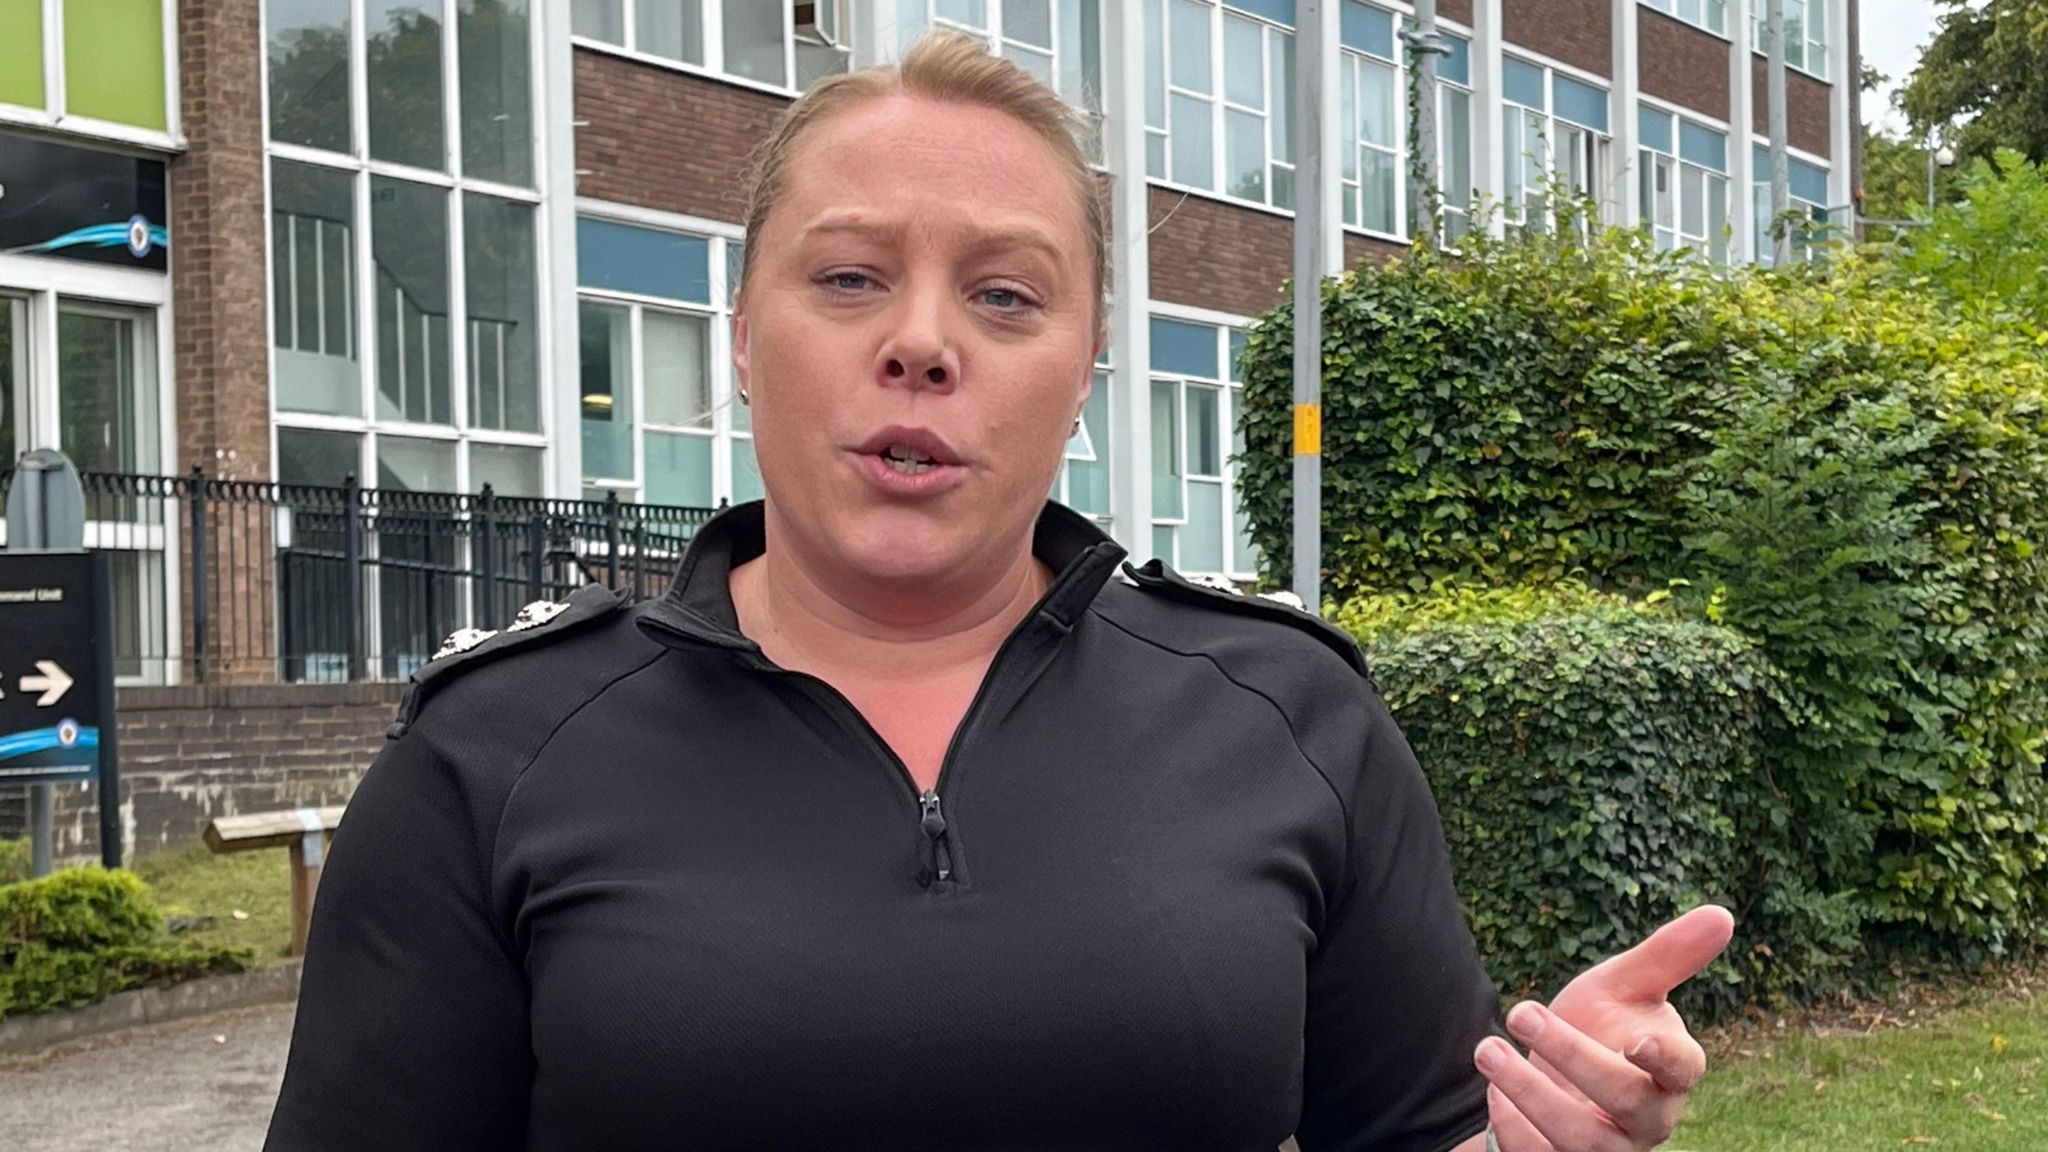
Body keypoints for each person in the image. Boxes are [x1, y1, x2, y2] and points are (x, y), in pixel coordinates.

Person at [263, 33, 1733, 1152]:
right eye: (846, 279)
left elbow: (1414, 1133)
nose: (920, 343)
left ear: (1088, 366)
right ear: (740, 337)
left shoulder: (1290, 717)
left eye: (1006, 295)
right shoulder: (490, 755)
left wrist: (1539, 1134)